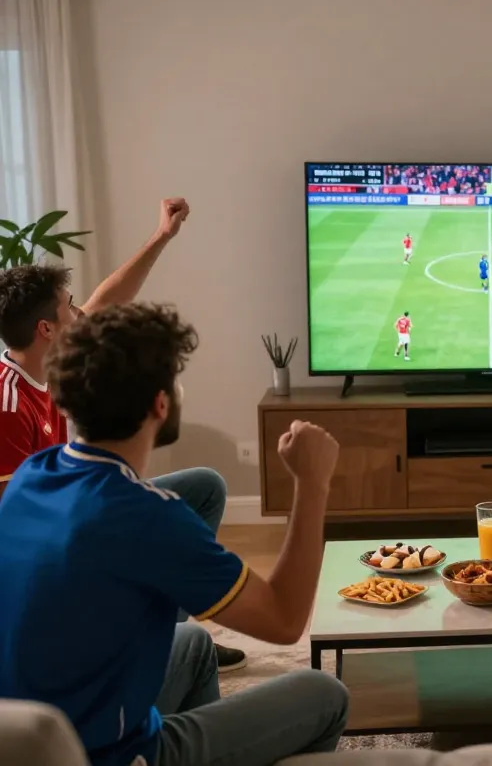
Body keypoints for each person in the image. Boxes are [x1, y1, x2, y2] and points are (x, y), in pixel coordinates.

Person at [0, 303, 348, 766]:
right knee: (324, 693)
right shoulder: (147, 516)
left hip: (26, 742)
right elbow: (284, 622)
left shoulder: (30, 475)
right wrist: (312, 483)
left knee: (194, 643)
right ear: (160, 404)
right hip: (106, 757)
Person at [0, 198, 245, 673]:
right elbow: (16, 525)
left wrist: (162, 236)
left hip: (76, 514)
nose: (82, 313)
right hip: (52, 553)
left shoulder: (48, 359)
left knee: (204, 488)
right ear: (47, 329)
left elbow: (108, 300)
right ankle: (151, 644)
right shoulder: (7, 406)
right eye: (71, 307)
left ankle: (171, 637)